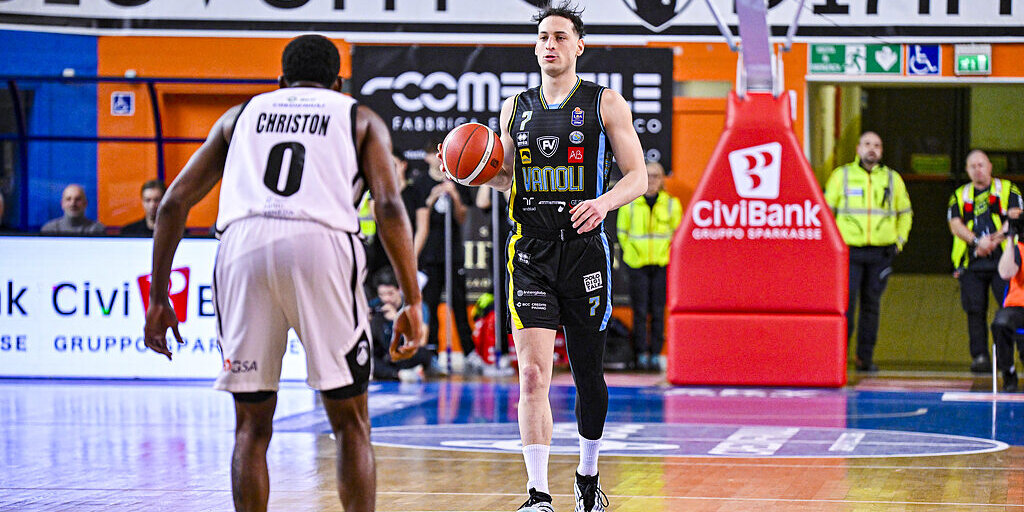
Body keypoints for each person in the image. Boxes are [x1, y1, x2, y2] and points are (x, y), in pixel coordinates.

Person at [142, 34, 425, 512]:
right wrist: (412, 300)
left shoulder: (239, 116)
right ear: (339, 83)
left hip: (241, 244)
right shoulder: (357, 117)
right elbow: (390, 205)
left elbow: (172, 203)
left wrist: (158, 297)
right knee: (351, 424)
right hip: (321, 242)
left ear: (280, 81)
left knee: (250, 429)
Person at [456, 4, 647, 510]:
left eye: (561, 37)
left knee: (587, 376)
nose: (550, 44)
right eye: (543, 36)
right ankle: (538, 493)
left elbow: (637, 177)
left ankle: (587, 476)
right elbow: (505, 178)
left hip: (585, 252)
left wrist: (603, 203)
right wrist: (468, 171)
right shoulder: (514, 108)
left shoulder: (605, 103)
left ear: (578, 46)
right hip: (531, 253)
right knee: (533, 375)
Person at [824, 131, 912, 373]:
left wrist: (899, 241)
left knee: (871, 307)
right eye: (867, 144)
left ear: (881, 151)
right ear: (858, 148)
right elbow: (825, 213)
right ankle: (839, 358)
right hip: (849, 253)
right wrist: (832, 247)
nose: (872, 149)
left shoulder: (892, 179)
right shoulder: (841, 176)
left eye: (877, 145)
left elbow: (905, 213)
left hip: (880, 253)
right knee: (846, 306)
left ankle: (865, 358)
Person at [411, 140, 486, 374]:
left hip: (453, 253)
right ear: (427, 158)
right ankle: (432, 352)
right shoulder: (421, 184)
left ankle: (469, 352)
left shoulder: (457, 180)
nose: (437, 159)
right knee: (430, 303)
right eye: (433, 154)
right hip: (430, 255)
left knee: (459, 302)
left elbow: (462, 217)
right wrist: (432, 198)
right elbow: (419, 218)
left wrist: (453, 196)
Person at [948, 150, 1022, 373]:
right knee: (974, 310)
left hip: (1004, 261)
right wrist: (976, 242)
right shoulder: (960, 195)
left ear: (990, 166)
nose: (977, 169)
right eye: (972, 166)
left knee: (1011, 310)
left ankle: (1012, 358)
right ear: (967, 170)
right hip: (972, 262)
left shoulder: (1008, 189)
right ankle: (980, 357)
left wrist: (993, 240)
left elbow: (1015, 217)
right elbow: (955, 224)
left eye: (981, 165)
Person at [616, 161, 681, 372]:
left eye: (656, 176)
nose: (652, 180)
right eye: (649, 175)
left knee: (658, 311)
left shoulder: (672, 204)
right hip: (637, 264)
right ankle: (640, 354)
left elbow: (677, 235)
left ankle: (655, 354)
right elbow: (622, 233)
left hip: (662, 264)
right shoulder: (630, 204)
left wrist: (666, 254)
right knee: (640, 311)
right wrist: (632, 253)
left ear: (662, 179)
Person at [370, 270, 432, 382]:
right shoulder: (375, 305)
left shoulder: (415, 306)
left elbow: (421, 341)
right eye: (382, 295)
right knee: (368, 359)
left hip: (404, 352)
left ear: (399, 289)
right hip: (384, 354)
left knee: (423, 354)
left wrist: (396, 320)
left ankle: (388, 373)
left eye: (390, 293)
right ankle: (399, 374)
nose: (386, 299)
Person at [992, 212, 1024, 392]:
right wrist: (1010, 239)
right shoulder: (1019, 249)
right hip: (1018, 308)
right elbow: (1005, 273)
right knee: (1001, 323)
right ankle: (1008, 372)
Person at [40, 183, 105, 235]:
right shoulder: (49, 229)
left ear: (85, 203)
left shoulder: (97, 229)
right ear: (62, 204)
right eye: (68, 199)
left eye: (78, 199)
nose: (73, 204)